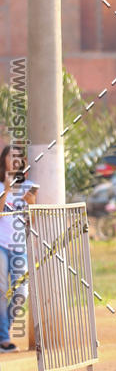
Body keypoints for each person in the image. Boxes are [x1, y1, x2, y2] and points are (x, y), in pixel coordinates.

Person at [0, 146, 38, 351]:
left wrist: (31, 204)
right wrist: (6, 189)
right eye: (10, 156)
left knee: (21, 292)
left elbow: (31, 221)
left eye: (17, 157)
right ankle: (4, 338)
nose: (14, 160)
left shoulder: (30, 186)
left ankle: (2, 329)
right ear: (4, 160)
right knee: (1, 289)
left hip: (19, 246)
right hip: (1, 244)